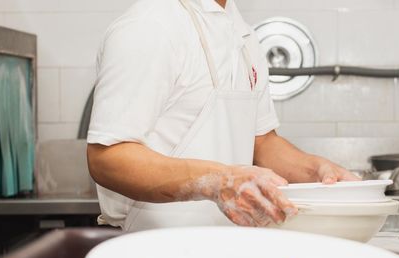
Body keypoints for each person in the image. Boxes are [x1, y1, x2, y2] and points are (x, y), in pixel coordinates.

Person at [86, 0, 359, 232]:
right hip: (152, 251)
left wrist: (318, 172)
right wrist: (218, 181)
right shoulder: (151, 26)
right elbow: (107, 159)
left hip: (225, 245)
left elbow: (261, 143)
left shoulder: (242, 35)